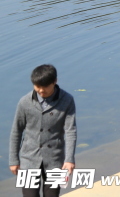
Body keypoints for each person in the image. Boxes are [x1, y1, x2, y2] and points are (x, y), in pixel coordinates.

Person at [8, 64, 76, 197]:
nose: (40, 90)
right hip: (28, 159)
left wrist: (69, 159)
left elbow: (70, 131)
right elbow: (16, 131)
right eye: (37, 86)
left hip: (56, 160)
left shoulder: (67, 100)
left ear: (54, 81)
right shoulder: (24, 102)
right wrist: (13, 160)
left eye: (44, 87)